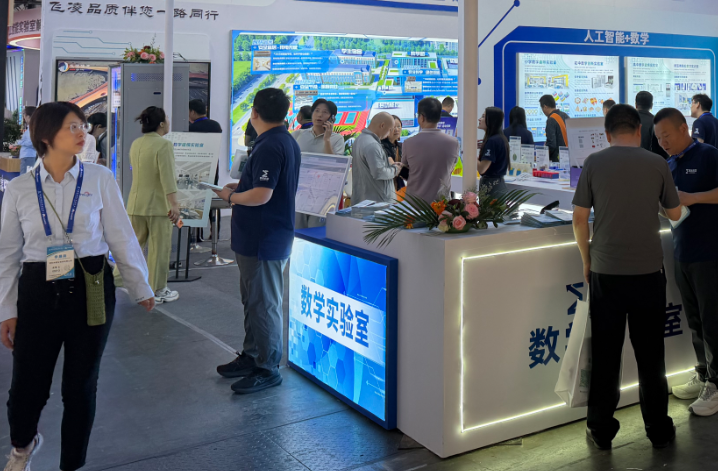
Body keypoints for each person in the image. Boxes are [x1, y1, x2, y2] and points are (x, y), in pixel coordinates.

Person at [0, 102, 154, 471]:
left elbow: (121, 235)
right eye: (72, 126)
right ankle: (23, 446)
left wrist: (140, 285)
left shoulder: (99, 178)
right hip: (37, 290)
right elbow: (7, 254)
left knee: (81, 385)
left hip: (91, 285)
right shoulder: (20, 188)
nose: (82, 132)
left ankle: (72, 463)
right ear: (45, 136)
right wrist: (6, 309)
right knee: (27, 386)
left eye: (82, 125)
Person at [572, 104, 682, 450]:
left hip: (606, 272)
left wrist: (587, 260)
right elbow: (675, 213)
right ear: (639, 130)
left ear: (606, 134)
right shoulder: (657, 163)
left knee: (606, 354)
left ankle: (601, 429)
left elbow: (579, 219)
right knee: (651, 357)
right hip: (648, 273)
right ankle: (659, 430)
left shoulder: (593, 163)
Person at [213, 88, 300, 394]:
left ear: (254, 113)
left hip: (264, 239)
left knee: (263, 305)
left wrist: (230, 197)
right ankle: (252, 355)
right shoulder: (280, 141)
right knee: (254, 301)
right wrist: (241, 187)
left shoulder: (270, 145)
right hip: (258, 238)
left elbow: (262, 194)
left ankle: (267, 366)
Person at [654, 108, 718, 416]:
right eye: (658, 138)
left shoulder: (709, 155)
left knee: (712, 320)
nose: (663, 142)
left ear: (684, 129)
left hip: (710, 253)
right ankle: (704, 374)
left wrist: (693, 197)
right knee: (694, 320)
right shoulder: (668, 165)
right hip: (682, 252)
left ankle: (716, 384)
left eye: (666, 135)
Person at [126, 106, 181, 304]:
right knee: (159, 249)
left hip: (135, 204)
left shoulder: (136, 143)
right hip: (158, 206)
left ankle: (119, 281)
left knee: (133, 247)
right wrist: (174, 204)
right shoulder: (163, 145)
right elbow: (168, 177)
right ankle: (157, 289)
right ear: (161, 123)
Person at [292, 99, 345, 228]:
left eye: (325, 112)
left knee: (316, 230)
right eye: (317, 111)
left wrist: (327, 139)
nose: (319, 115)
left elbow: (334, 167)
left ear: (332, 118)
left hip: (323, 194)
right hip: (299, 191)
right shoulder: (298, 135)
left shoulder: (337, 139)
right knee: (297, 229)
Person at [402, 98, 459, 203]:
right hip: (441, 205)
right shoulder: (453, 143)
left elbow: (405, 171)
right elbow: (450, 169)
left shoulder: (408, 143)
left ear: (421, 117)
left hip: (414, 204)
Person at [188, 100, 223, 241]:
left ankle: (197, 234)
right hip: (214, 166)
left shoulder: (192, 128)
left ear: (192, 111)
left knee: (195, 199)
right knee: (213, 198)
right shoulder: (216, 125)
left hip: (196, 167)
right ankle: (215, 232)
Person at [351, 112, 401, 203]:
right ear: (382, 125)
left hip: (365, 199)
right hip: (377, 202)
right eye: (390, 129)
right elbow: (379, 172)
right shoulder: (372, 144)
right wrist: (395, 170)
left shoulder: (360, 139)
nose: (389, 133)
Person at [477, 107, 510, 199]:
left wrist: (470, 152)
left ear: (491, 120)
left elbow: (482, 169)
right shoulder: (499, 138)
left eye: (483, 116)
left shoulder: (492, 141)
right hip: (496, 185)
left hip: (492, 187)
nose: (479, 119)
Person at [635, 91, 669, 159]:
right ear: (651, 106)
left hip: (630, 160)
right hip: (651, 161)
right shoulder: (656, 122)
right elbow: (662, 149)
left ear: (636, 105)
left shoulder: (628, 121)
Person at [381, 115, 408, 191]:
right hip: (385, 188)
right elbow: (394, 167)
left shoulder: (401, 146)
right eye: (393, 127)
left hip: (399, 186)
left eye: (399, 126)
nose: (396, 129)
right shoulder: (381, 146)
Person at [540, 95, 569, 162]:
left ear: (545, 107)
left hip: (557, 159)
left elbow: (552, 144)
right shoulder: (565, 115)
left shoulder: (551, 120)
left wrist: (542, 156)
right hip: (569, 156)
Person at [10, 106, 37, 174]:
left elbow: (31, 143)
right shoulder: (31, 128)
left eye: (24, 116)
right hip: (28, 156)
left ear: (28, 117)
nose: (24, 118)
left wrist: (19, 142)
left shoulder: (32, 129)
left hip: (28, 156)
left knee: (24, 177)